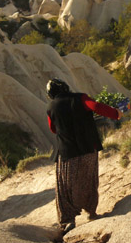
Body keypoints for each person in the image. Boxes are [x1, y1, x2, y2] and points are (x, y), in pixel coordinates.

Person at [45, 78, 121, 232]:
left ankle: (67, 220)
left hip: (66, 152)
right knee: (89, 179)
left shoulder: (50, 107)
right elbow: (96, 107)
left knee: (65, 186)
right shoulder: (80, 98)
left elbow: (53, 129)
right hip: (87, 148)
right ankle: (91, 212)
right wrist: (116, 113)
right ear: (66, 87)